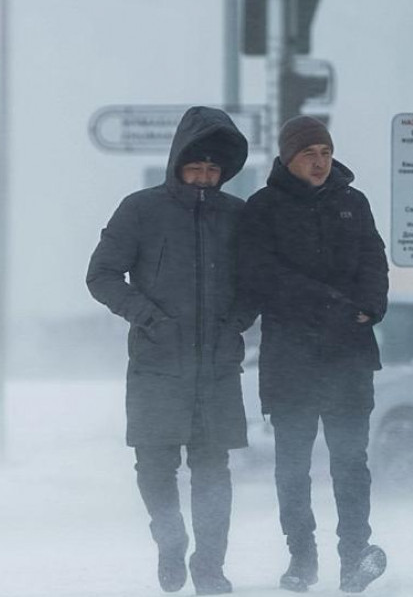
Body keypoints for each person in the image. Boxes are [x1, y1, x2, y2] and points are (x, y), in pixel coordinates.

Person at [87, 106, 256, 595]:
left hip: (217, 367)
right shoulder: (140, 210)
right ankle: (169, 539)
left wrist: (234, 325)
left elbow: (256, 282)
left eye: (213, 169)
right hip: (157, 365)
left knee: (213, 470)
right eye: (195, 166)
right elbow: (101, 276)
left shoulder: (236, 216)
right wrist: (150, 319)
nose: (204, 177)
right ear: (177, 163)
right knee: (155, 466)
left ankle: (210, 567)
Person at [238, 116, 389, 593]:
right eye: (309, 153)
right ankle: (301, 559)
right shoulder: (263, 209)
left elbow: (373, 261)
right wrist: (334, 305)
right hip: (291, 359)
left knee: (350, 460)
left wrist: (370, 306)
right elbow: (263, 277)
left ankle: (354, 556)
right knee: (293, 467)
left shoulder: (352, 203)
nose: (320, 161)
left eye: (325, 151)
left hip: (349, 356)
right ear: (288, 158)